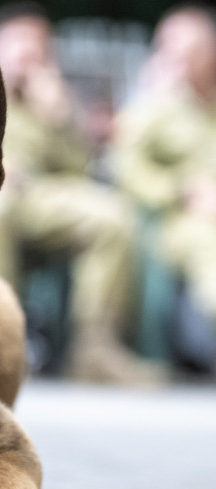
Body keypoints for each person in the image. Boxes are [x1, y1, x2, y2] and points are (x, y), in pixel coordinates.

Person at [0, 2, 164, 386]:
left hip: (44, 198)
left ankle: (95, 348)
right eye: (20, 45)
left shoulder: (53, 100)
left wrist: (60, 117)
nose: (30, 55)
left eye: (39, 47)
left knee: (113, 217)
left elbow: (81, 172)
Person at [115, 2, 216, 373]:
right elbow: (127, 168)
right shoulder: (158, 107)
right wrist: (183, 191)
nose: (176, 60)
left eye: (187, 51)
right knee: (208, 247)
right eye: (167, 50)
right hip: (179, 219)